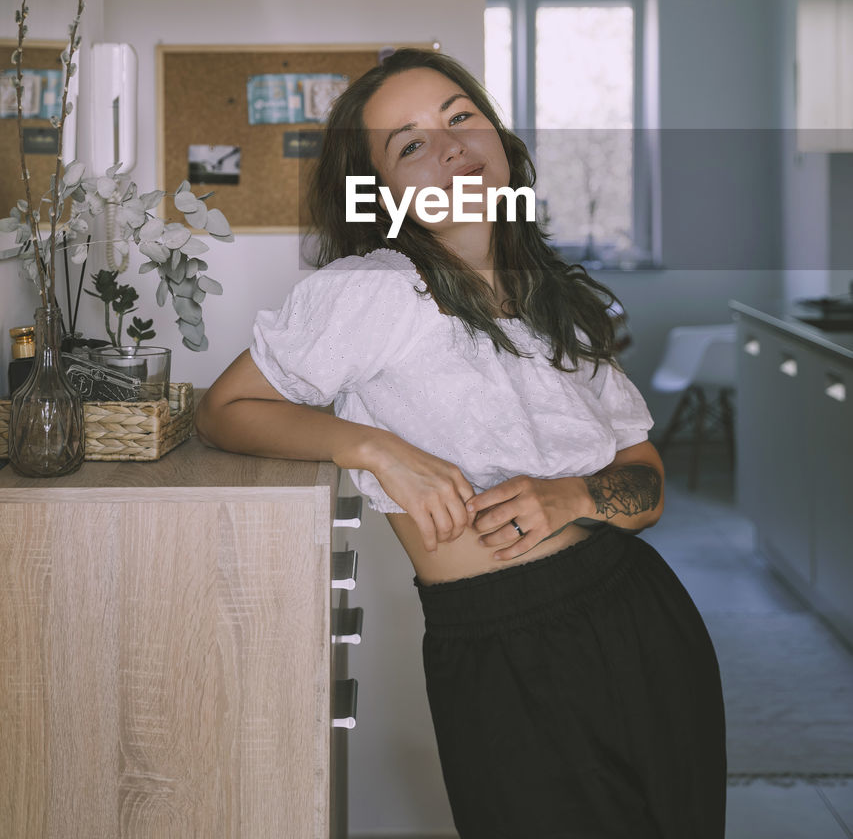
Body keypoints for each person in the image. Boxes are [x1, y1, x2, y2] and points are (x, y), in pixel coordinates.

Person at [196, 47, 727, 839]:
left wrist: (574, 496)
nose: (447, 147)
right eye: (409, 143)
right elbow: (227, 408)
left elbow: (645, 481)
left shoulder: (560, 306)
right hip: (498, 645)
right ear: (378, 189)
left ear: (497, 139)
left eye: (459, 118)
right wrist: (374, 447)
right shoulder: (372, 290)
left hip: (644, 620)